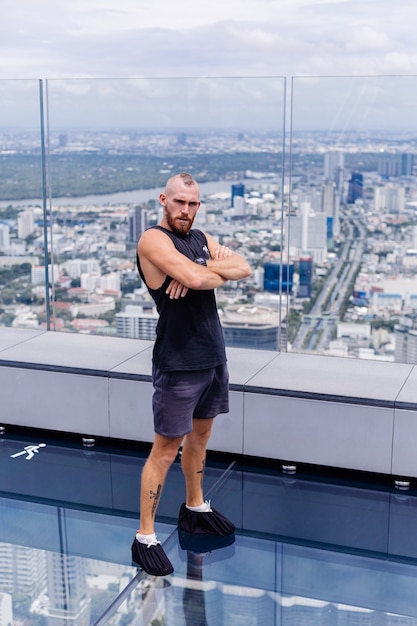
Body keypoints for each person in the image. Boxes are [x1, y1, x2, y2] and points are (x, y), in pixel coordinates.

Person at [131, 172, 251, 576]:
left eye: (193, 203)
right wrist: (200, 272)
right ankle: (145, 536)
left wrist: (198, 270)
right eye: (179, 202)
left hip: (212, 356)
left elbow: (244, 266)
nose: (186, 210)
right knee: (164, 450)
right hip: (178, 362)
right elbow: (201, 276)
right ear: (164, 199)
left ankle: (195, 507)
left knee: (201, 438)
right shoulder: (153, 239)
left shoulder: (198, 239)